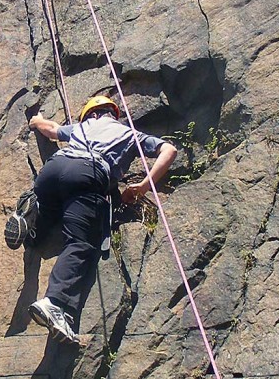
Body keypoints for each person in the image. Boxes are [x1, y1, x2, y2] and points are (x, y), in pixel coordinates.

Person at [14, 96, 178, 344]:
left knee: (51, 211)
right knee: (80, 241)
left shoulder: (81, 127)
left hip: (53, 169)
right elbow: (169, 150)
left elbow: (51, 130)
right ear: (112, 115)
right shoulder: (129, 133)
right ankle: (55, 303)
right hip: (87, 173)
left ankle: (32, 216)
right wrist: (143, 187)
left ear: (91, 115)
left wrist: (36, 120)